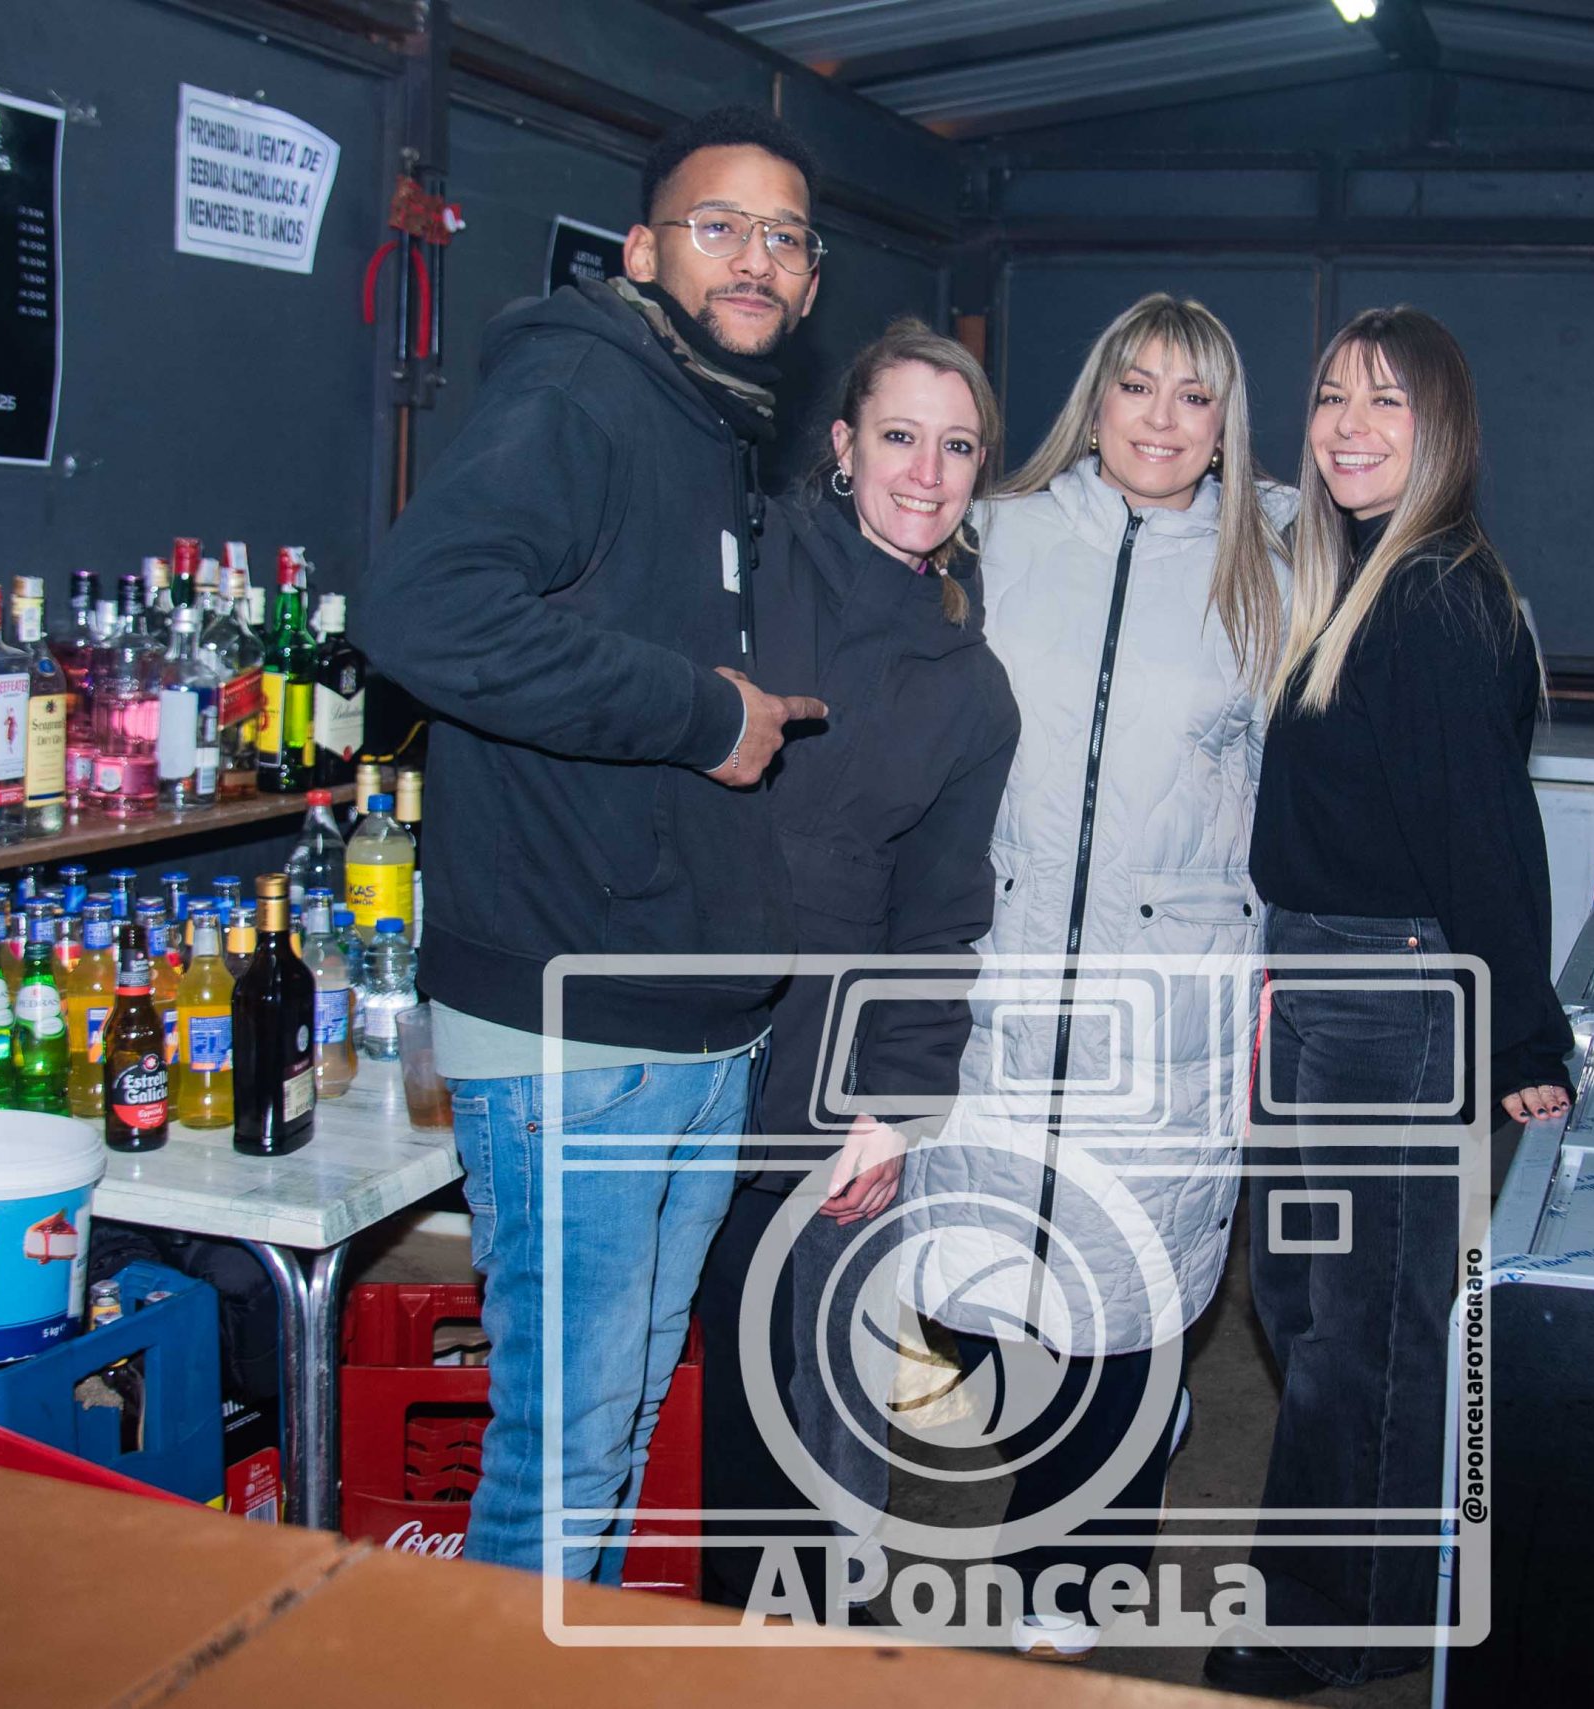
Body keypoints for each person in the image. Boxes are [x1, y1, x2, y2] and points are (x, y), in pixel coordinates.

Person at [354, 105, 829, 1582]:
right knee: (561, 1454)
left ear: (812, 280)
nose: (755, 259)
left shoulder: (709, 419)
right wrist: (701, 713)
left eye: (785, 238)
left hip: (683, 1021)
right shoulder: (582, 386)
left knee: (614, 1431)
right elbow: (422, 611)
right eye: (718, 226)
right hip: (573, 1031)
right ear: (640, 250)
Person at [895, 292, 1289, 1659]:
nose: (1162, 420)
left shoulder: (1274, 564)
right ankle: (1107, 1440)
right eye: (1138, 386)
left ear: (1226, 423)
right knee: (979, 1285)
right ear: (1096, 397)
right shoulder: (999, 533)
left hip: (1166, 994)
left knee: (1128, 1296)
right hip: (1001, 974)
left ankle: (1077, 1572)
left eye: (1196, 395)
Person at [1206, 306, 1574, 1697]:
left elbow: (1488, 831)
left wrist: (1522, 1029)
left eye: (1387, 402)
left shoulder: (1435, 596)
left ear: (1444, 429)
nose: (1349, 427)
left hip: (1395, 992)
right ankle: (1368, 1571)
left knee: (1366, 1325)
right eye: (1331, 398)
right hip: (1317, 974)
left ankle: (1335, 1616)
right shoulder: (1357, 571)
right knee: (1303, 1297)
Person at [695, 322, 1020, 1616]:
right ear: (842, 445)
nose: (926, 474)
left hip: (824, 1073)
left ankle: (796, 1637)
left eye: (957, 447)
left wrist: (892, 1108)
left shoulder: (970, 689)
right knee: (652, 1376)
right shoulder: (740, 566)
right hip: (671, 1026)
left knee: (793, 1391)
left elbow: (940, 920)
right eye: (899, 436)